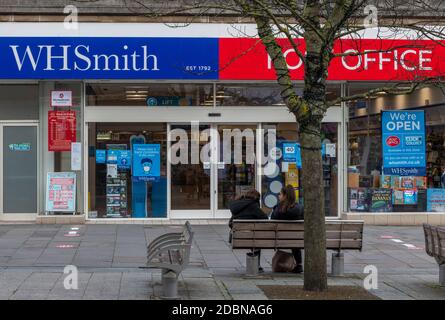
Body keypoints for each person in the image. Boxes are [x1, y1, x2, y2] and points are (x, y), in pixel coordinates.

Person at [228, 189, 268, 272]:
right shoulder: (253, 205)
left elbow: (230, 223)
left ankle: (255, 264)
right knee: (256, 239)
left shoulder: (237, 205)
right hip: (251, 236)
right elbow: (265, 218)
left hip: (238, 237)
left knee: (253, 236)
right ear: (256, 198)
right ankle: (257, 265)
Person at [271, 185, 304, 273]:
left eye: (280, 194)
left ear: (285, 196)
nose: (279, 196)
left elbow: (272, 221)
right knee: (295, 239)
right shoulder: (300, 209)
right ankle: (299, 264)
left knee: (291, 238)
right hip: (298, 239)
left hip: (279, 238)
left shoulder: (278, 209)